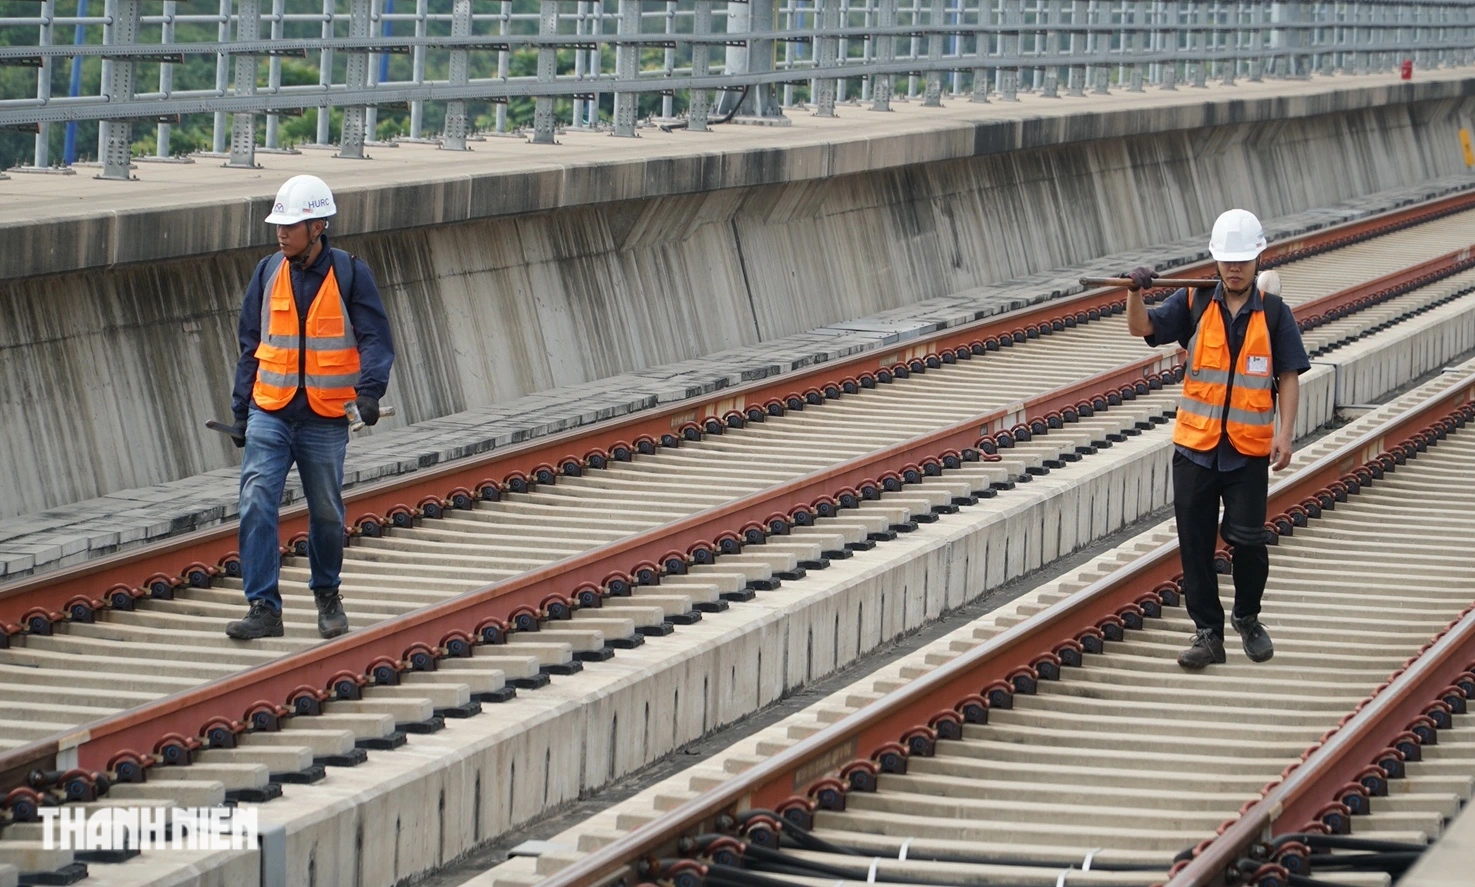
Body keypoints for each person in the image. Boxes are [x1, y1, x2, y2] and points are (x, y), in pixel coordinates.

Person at [1122, 209, 1310, 669]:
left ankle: (1247, 617)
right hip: (1195, 447)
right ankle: (1208, 633)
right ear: (1216, 260)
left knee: (1247, 541)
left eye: (1243, 259)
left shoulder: (1274, 313)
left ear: (1257, 258)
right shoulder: (1194, 303)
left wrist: (1285, 434)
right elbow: (1140, 327)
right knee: (1195, 545)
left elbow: (1288, 374)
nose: (1235, 267)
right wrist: (1134, 293)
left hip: (1246, 450)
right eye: (1227, 259)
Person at [224, 175, 395, 641]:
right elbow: (251, 344)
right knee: (256, 500)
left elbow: (375, 337)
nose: (281, 232)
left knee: (324, 511)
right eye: (278, 224)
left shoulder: (350, 273)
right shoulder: (266, 272)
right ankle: (263, 608)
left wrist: (370, 392)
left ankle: (326, 595)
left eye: (291, 224)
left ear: (317, 226)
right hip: (270, 410)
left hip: (324, 415)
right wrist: (242, 409)